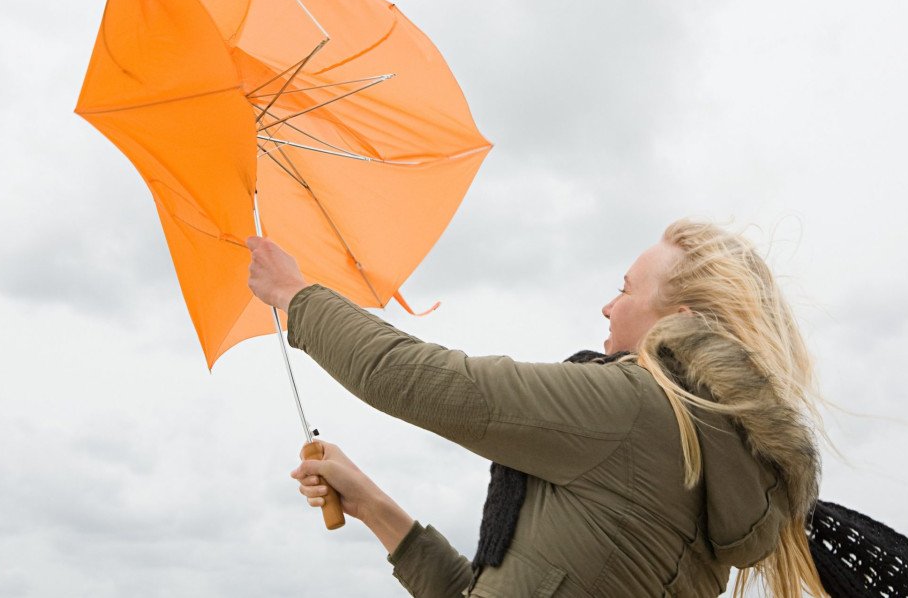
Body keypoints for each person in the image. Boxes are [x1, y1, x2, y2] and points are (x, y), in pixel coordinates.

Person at [246, 220, 827, 598]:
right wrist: (371, 505)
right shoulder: (703, 453)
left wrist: (293, 294)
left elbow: (411, 377)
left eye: (626, 289)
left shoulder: (635, 411)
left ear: (681, 323)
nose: (608, 307)